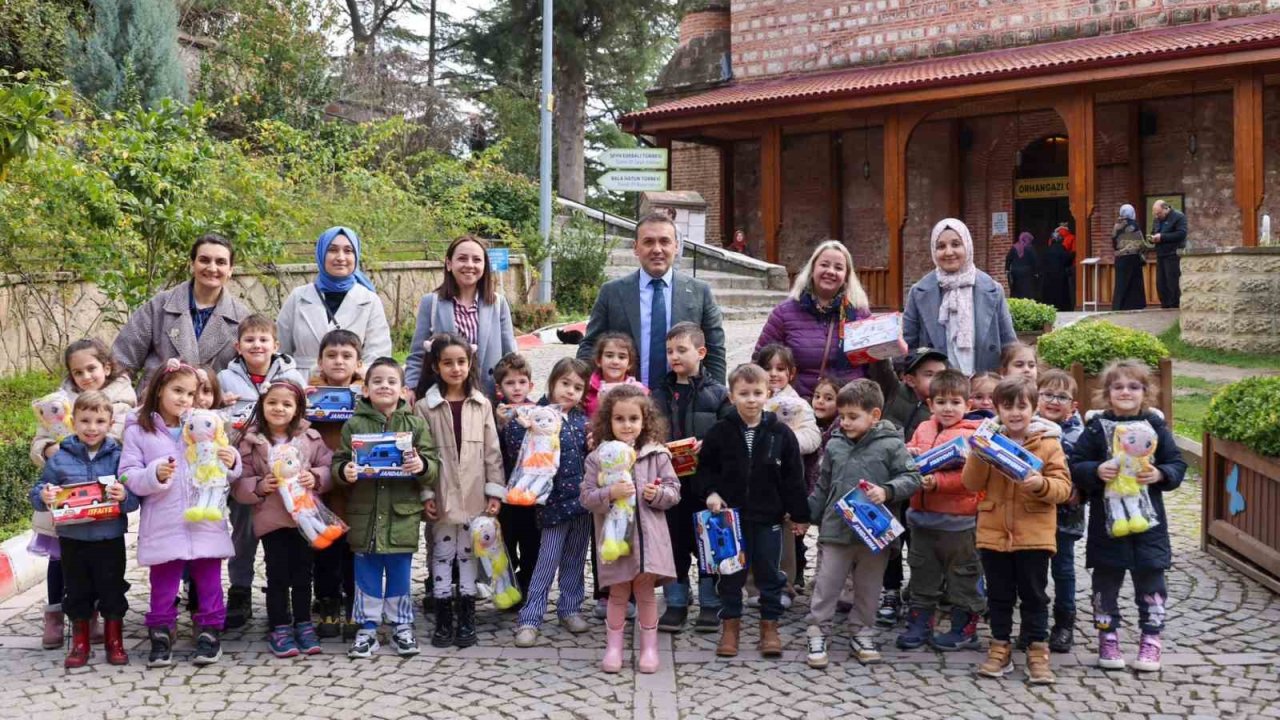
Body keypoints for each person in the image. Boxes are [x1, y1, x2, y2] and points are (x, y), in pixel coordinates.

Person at [120, 360, 241, 668]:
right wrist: (153, 474)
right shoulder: (139, 431)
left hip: (205, 519)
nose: (185, 399)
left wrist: (231, 461)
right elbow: (127, 474)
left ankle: (209, 630)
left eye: (191, 393)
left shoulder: (206, 425)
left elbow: (224, 470)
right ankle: (161, 630)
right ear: (159, 388)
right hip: (164, 521)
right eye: (177, 390)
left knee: (210, 578)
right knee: (163, 581)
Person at [1069, 359, 1187, 673]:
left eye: (1133, 386)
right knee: (1105, 585)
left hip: (1149, 526)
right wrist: (1095, 470)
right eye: (1118, 386)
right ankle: (1108, 638)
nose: (1125, 392)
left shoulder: (1155, 426)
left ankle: (1151, 639)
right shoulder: (1096, 428)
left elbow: (1177, 463)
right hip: (1107, 526)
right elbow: (1076, 464)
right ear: (1106, 393)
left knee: (1151, 582)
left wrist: (1161, 474)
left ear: (1145, 392)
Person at [961, 376, 1071, 685]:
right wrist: (979, 453)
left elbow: (1063, 488)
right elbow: (971, 483)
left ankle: (1038, 650)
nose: (1015, 413)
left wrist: (1041, 485)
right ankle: (1000, 647)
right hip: (993, 533)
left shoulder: (1049, 443)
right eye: (1007, 406)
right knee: (999, 596)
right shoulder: (988, 438)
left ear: (1033, 408)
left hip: (1034, 535)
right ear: (997, 409)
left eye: (1022, 406)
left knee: (1035, 596)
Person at [804, 379, 920, 669]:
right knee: (827, 583)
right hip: (836, 530)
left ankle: (862, 631)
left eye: (853, 417)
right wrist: (807, 516)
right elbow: (823, 484)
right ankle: (818, 630)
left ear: (875, 415)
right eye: (842, 416)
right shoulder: (835, 444)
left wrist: (888, 490)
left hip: (875, 534)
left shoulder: (892, 444)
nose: (845, 422)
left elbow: (913, 477)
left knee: (869, 588)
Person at [29, 339, 136, 650]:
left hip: (102, 510)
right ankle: (58, 615)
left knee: (106, 569)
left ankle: (103, 621)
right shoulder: (58, 405)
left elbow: (121, 445)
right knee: (61, 561)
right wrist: (51, 450)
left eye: (91, 368)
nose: (86, 376)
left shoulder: (122, 403)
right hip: (65, 499)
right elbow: (41, 441)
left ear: (107, 367)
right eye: (78, 372)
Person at [699, 363, 810, 659]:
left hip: (768, 517)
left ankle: (769, 626)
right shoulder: (720, 432)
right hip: (730, 519)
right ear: (732, 396)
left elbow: (793, 477)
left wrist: (799, 514)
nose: (751, 399)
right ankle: (730, 627)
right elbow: (706, 469)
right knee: (732, 574)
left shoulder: (780, 434)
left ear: (768, 393)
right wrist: (711, 493)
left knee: (769, 572)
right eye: (744, 393)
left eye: (757, 393)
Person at [333, 358, 440, 659]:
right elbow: (338, 462)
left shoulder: (415, 424)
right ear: (365, 390)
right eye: (377, 381)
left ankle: (401, 626)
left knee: (399, 573)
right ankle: (366, 628)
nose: (384, 386)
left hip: (401, 516)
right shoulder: (354, 424)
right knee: (365, 573)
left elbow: (433, 467)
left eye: (391, 381)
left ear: (404, 391)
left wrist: (421, 465)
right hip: (365, 516)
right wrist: (346, 472)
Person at [217, 313, 308, 630]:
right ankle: (240, 589)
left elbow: (304, 418)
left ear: (276, 345)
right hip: (244, 467)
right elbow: (213, 418)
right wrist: (220, 406)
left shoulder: (294, 376)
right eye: (250, 340)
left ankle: (280, 593)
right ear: (237, 346)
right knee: (242, 534)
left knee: (284, 535)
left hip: (284, 471)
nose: (257, 345)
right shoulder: (225, 379)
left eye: (263, 339)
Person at [414, 333, 505, 649]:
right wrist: (426, 494)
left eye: (461, 362)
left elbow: (492, 452)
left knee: (468, 553)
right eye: (448, 362)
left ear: (470, 364)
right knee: (441, 553)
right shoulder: (425, 407)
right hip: (441, 493)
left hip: (474, 493)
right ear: (436, 367)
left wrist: (494, 493)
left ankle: (466, 615)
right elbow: (420, 454)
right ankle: (442, 613)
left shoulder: (482, 405)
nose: (455, 368)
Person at [581, 385, 680, 673]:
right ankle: (614, 648)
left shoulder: (657, 455)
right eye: (620, 419)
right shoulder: (598, 457)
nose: (627, 425)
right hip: (616, 542)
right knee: (618, 594)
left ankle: (649, 648)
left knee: (647, 594)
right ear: (608, 422)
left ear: (644, 420)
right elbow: (586, 497)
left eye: (633, 419)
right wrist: (610, 492)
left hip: (649, 541)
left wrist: (656, 494)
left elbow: (674, 491)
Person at [232, 381, 333, 658]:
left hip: (305, 517)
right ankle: (279, 625)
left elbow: (328, 466)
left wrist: (315, 477)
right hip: (272, 518)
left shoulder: (310, 438)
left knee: (303, 573)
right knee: (277, 573)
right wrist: (258, 486)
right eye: (273, 402)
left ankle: (303, 622)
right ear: (262, 405)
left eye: (287, 404)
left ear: (298, 410)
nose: (279, 408)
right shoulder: (251, 441)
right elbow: (239, 479)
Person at [577, 213, 727, 385]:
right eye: (648, 242)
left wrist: (717, 401)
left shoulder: (700, 292)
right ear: (636, 247)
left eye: (665, 241)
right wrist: (584, 393)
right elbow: (589, 346)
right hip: (627, 401)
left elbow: (714, 353)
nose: (657, 249)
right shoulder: (612, 292)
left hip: (686, 402)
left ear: (676, 246)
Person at [896, 370, 984, 653]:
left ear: (968, 406)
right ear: (930, 403)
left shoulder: (973, 436)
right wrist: (908, 452)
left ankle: (964, 627)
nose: (948, 408)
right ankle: (920, 623)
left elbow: (971, 479)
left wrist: (938, 483)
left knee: (963, 576)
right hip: (922, 519)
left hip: (959, 522)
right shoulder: (923, 428)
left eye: (955, 402)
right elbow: (914, 451)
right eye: (941, 401)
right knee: (923, 573)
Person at [650, 322, 730, 633]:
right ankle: (676, 601)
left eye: (681, 350)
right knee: (674, 542)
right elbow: (649, 430)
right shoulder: (659, 393)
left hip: (704, 484)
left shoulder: (718, 395)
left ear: (701, 352)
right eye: (669, 351)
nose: (674, 357)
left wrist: (708, 444)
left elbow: (729, 435)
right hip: (670, 484)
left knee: (708, 542)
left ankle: (710, 603)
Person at [512, 358, 593, 647]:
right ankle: (530, 617)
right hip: (553, 505)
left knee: (575, 560)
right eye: (565, 384)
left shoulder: (584, 421)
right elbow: (517, 449)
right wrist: (521, 426)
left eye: (577, 387)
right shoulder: (537, 416)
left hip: (582, 504)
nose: (570, 391)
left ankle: (570, 608)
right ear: (551, 383)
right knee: (545, 563)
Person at [113, 234, 252, 391]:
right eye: (204, 260)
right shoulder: (160, 306)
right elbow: (121, 361)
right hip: (154, 405)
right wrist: (121, 401)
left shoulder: (241, 318)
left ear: (230, 270)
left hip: (210, 410)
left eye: (220, 262)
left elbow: (252, 372)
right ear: (192, 264)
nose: (212, 268)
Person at [755, 240, 875, 399]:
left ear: (846, 276)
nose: (831, 271)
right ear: (812, 270)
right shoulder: (784, 313)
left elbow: (874, 368)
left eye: (838, 268)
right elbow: (759, 361)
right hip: (797, 406)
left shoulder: (861, 314)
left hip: (848, 409)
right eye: (824, 265)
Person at [405, 235, 517, 399]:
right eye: (462, 259)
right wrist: (411, 388)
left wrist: (514, 393)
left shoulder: (498, 304)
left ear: (485, 266)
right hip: (441, 399)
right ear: (449, 263)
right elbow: (417, 355)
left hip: (486, 398)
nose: (470, 265)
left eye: (477, 260)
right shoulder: (431, 303)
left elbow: (510, 357)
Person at [903, 219, 1016, 376]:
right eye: (941, 246)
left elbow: (1009, 344)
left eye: (956, 244)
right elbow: (908, 345)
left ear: (967, 246)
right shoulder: (918, 292)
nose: (949, 252)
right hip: (939, 391)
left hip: (984, 389)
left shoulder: (993, 290)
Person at [276, 226, 393, 379]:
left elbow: (377, 356)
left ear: (356, 256)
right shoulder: (299, 297)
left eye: (348, 251)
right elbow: (281, 351)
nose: (341, 257)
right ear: (321, 253)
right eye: (332, 250)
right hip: (302, 386)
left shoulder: (369, 300)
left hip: (352, 388)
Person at [307, 329, 364, 641]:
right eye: (331, 355)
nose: (338, 361)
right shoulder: (310, 398)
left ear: (358, 363)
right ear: (320, 361)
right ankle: (327, 603)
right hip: (323, 490)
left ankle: (356, 606)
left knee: (354, 550)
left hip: (357, 488)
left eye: (346, 356)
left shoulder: (366, 396)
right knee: (325, 549)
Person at [1034, 369, 1086, 653]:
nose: (1054, 401)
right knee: (1035, 572)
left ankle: (1065, 622)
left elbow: (1083, 471)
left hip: (1066, 517)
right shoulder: (1029, 429)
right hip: (1033, 514)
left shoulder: (1078, 434)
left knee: (1064, 570)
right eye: (1048, 395)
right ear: (1036, 398)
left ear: (1073, 405)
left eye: (1062, 397)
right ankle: (1037, 623)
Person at [494, 353, 539, 602]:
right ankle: (508, 589)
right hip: (505, 492)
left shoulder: (539, 411)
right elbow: (492, 452)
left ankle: (528, 587)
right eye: (510, 383)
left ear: (530, 385)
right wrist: (500, 426)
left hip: (531, 492)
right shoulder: (496, 415)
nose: (517, 388)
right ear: (500, 389)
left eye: (522, 382)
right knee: (507, 544)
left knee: (532, 543)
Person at [584, 332, 646, 417]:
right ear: (598, 361)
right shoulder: (586, 389)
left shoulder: (640, 392)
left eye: (621, 357)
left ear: (629, 364)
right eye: (609, 356)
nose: (615, 362)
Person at [1151, 200, 1188, 309]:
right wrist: (1152, 238)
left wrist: (1162, 237)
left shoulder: (1179, 217)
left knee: (1172, 282)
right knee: (1160, 283)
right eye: (1155, 214)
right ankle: (1165, 305)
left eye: (1159, 213)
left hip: (1173, 254)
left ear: (1166, 208)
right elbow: (1154, 232)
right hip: (1160, 254)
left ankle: (1174, 306)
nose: (1157, 216)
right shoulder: (1157, 219)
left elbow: (1181, 234)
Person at [1111, 204, 1148, 311]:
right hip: (1132, 258)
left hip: (1119, 259)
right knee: (1134, 284)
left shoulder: (1116, 225)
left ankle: (1118, 306)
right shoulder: (1133, 225)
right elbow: (1140, 243)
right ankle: (1134, 305)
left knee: (1120, 284)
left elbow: (1114, 243)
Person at [1040, 228, 1076, 312]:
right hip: (1060, 275)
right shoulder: (1062, 249)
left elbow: (1043, 262)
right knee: (1061, 294)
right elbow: (1068, 260)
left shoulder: (1047, 250)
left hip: (1048, 276)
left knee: (1050, 294)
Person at [1005, 232, 1039, 300]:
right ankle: (1026, 303)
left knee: (1016, 289)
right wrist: (1036, 272)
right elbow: (1035, 261)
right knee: (1027, 290)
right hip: (1027, 273)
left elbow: (1008, 258)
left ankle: (1016, 303)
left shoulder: (1014, 247)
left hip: (1015, 272)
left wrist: (1007, 269)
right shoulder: (1030, 248)